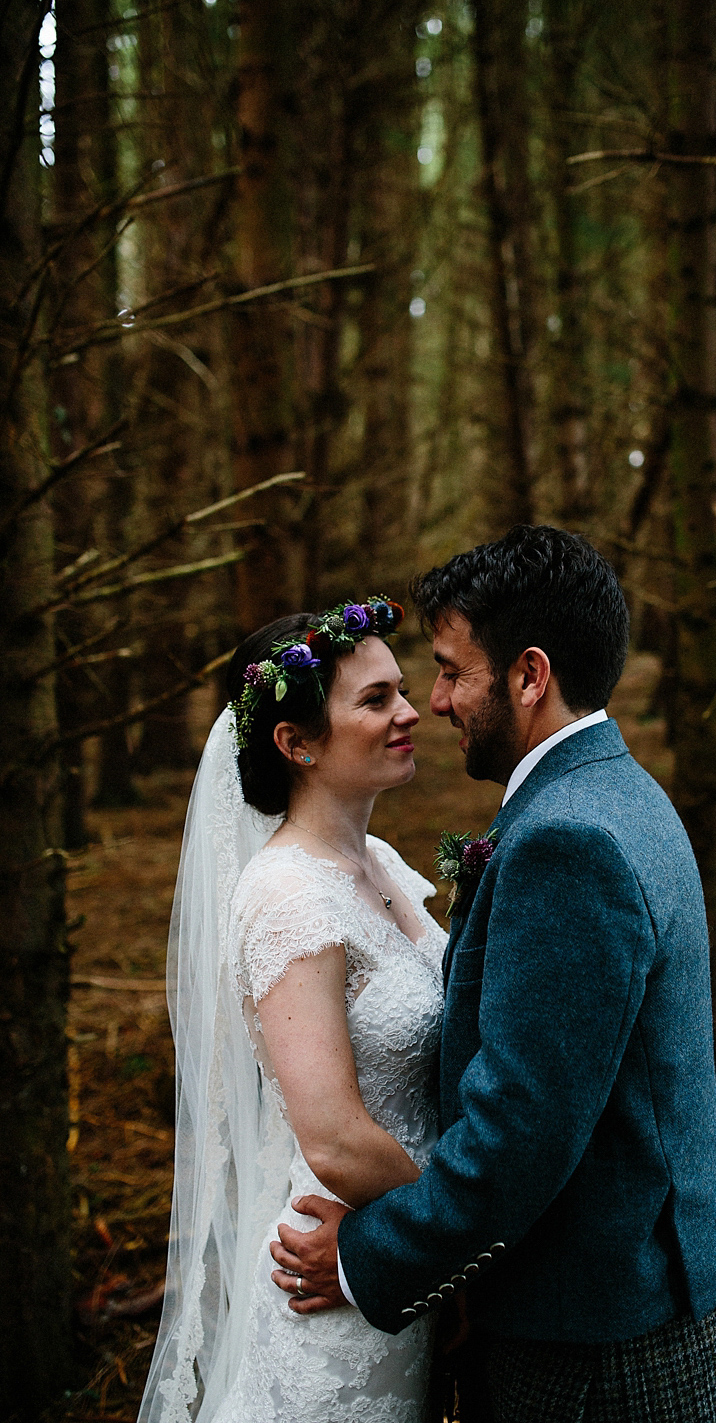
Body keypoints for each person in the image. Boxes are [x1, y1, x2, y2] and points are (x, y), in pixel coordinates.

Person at [270, 527, 716, 1422]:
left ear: (529, 675)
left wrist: (369, 1255)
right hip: (653, 1305)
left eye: (454, 670)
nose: (437, 699)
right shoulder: (621, 792)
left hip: (605, 1354)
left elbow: (519, 1137)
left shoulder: (565, 842)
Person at [137, 599, 449, 1423]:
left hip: (402, 1259)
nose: (410, 711)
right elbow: (336, 1139)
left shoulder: (378, 861)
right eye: (376, 700)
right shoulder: (286, 898)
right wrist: (467, 1224)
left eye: (403, 690)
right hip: (342, 1289)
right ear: (297, 742)